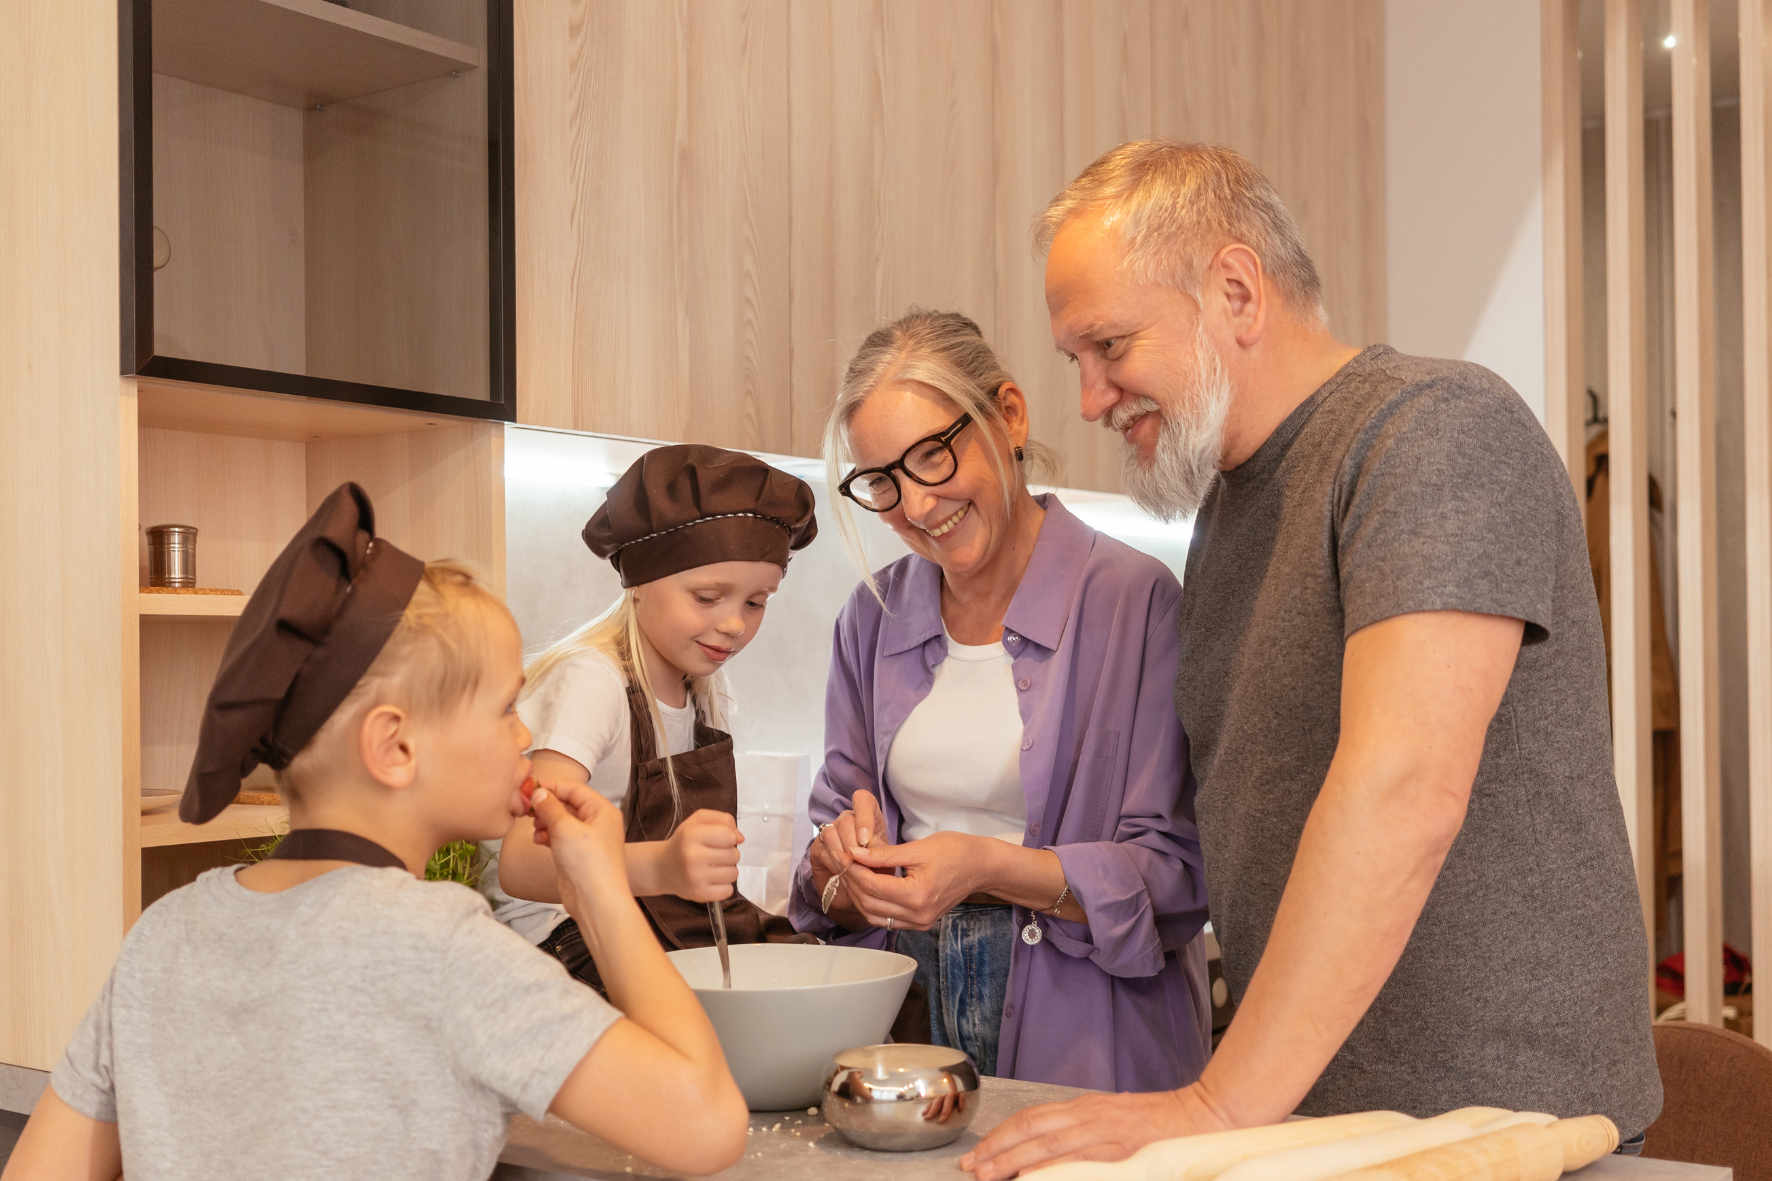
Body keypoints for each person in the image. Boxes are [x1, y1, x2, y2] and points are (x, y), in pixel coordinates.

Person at [963, 142, 1661, 1179]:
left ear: (1234, 290)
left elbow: (1402, 786)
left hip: (1504, 1129)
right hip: (1325, 1125)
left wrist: (1215, 1099)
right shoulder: (1224, 515)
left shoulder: (1431, 432)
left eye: (1107, 344)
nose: (1089, 397)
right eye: (1075, 358)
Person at [2, 484, 747, 1181]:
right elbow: (706, 1125)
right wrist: (601, 889)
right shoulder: (445, 947)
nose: (523, 735)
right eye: (502, 707)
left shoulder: (163, 934)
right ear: (394, 747)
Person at [789, 309, 1211, 1091]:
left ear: (1007, 415)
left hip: (1091, 1048)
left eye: (931, 456)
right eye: (882, 481)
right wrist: (838, 867)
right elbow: (825, 877)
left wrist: (988, 866)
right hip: (910, 1042)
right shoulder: (871, 617)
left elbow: (1180, 878)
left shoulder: (1135, 602)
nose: (914, 507)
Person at [490, 444, 819, 987]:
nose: (735, 624)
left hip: (650, 925)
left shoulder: (701, 689)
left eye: (756, 602)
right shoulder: (594, 681)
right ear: (639, 582)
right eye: (708, 596)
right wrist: (663, 867)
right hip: (560, 949)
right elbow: (521, 864)